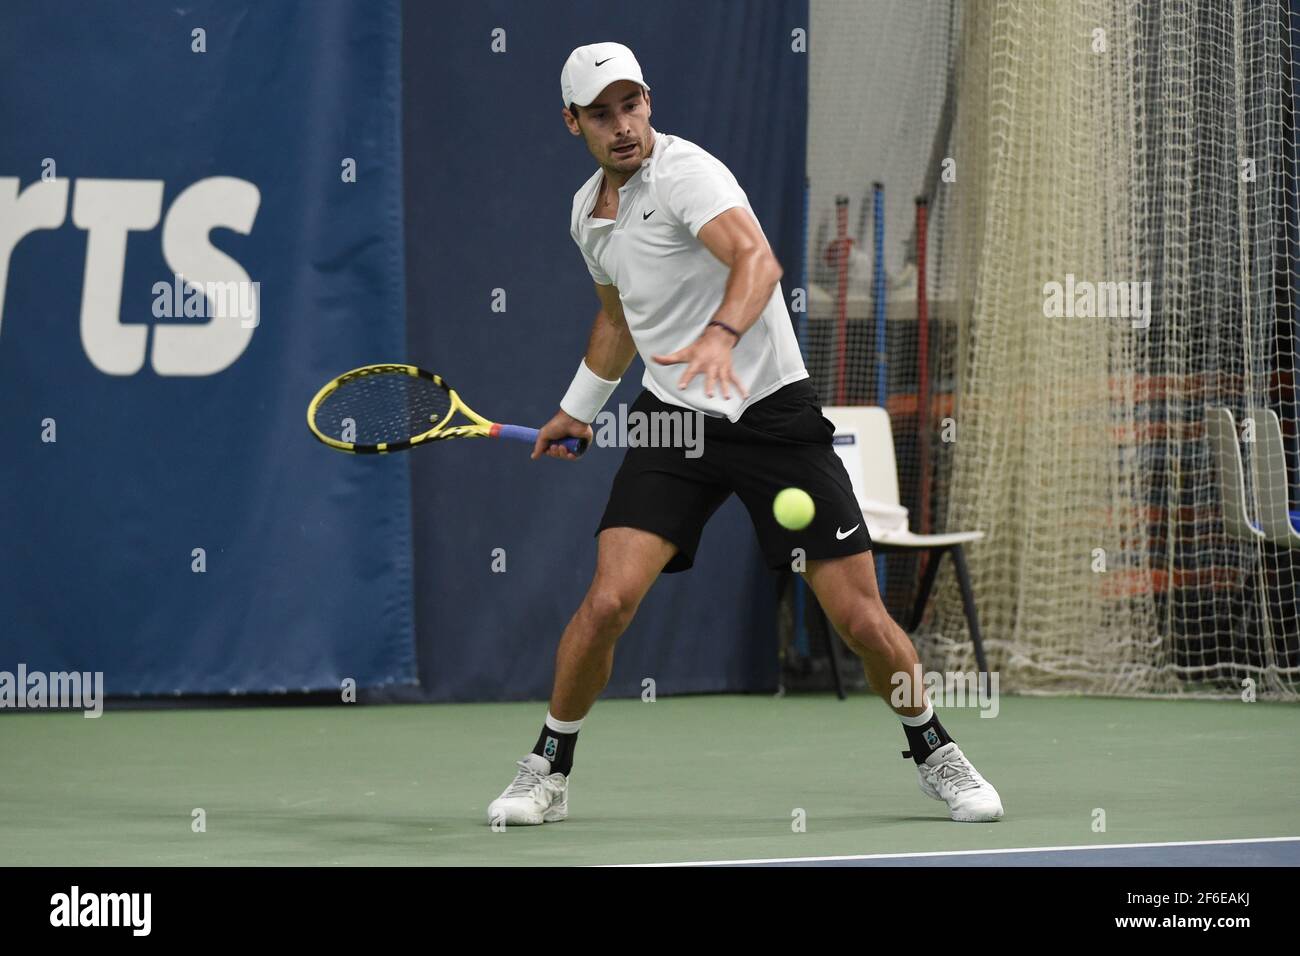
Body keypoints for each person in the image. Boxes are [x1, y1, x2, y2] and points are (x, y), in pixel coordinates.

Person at [488, 42, 1002, 826]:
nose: (622, 125)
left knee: (862, 620)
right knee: (608, 602)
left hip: (771, 412)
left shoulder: (689, 174)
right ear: (574, 123)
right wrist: (580, 408)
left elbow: (756, 260)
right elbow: (620, 318)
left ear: (649, 102)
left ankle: (936, 750)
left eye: (632, 104)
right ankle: (547, 768)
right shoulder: (586, 213)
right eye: (601, 113)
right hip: (672, 421)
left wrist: (723, 335)